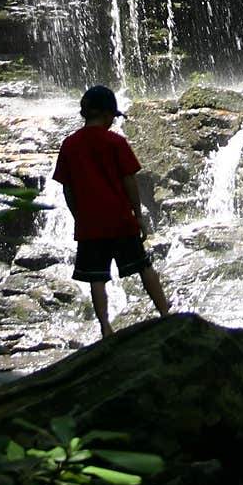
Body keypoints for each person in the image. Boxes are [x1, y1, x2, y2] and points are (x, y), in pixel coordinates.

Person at [52, 84, 170, 338]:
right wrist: (137, 215)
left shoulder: (69, 144)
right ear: (107, 114)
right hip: (119, 219)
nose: (112, 122)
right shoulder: (115, 141)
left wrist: (78, 216)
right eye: (112, 118)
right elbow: (129, 179)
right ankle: (165, 313)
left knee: (97, 277)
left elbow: (67, 189)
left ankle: (105, 327)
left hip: (90, 224)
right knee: (143, 265)